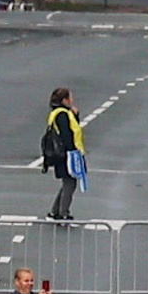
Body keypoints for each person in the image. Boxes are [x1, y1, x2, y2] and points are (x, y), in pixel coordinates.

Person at [43, 89, 86, 222]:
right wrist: (73, 152)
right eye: (70, 97)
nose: (72, 100)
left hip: (61, 153)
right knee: (70, 182)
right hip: (66, 154)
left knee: (67, 182)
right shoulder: (62, 114)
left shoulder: (58, 113)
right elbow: (67, 134)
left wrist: (75, 115)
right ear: (64, 100)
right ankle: (63, 214)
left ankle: (54, 212)